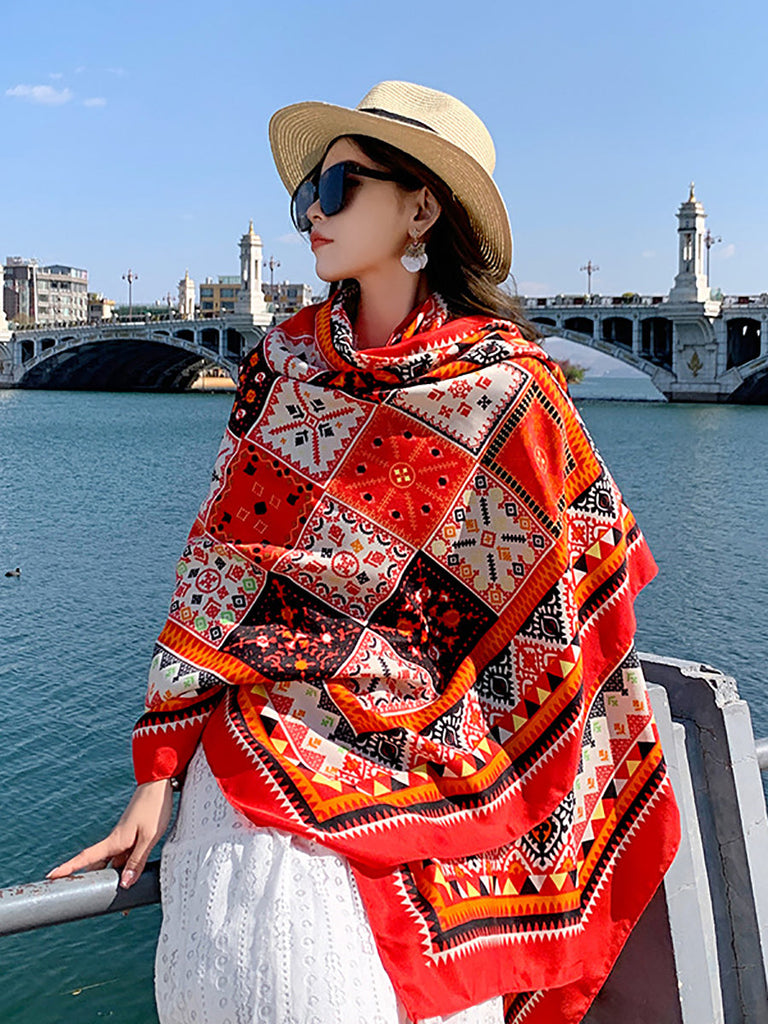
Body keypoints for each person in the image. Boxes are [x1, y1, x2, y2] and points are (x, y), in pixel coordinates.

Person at [49, 81, 681, 1024]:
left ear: (421, 209)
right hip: (276, 720)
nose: (312, 211)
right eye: (307, 192)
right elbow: (221, 570)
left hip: (438, 737)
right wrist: (157, 768)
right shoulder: (283, 366)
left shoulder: (509, 390)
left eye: (339, 186)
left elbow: (568, 591)